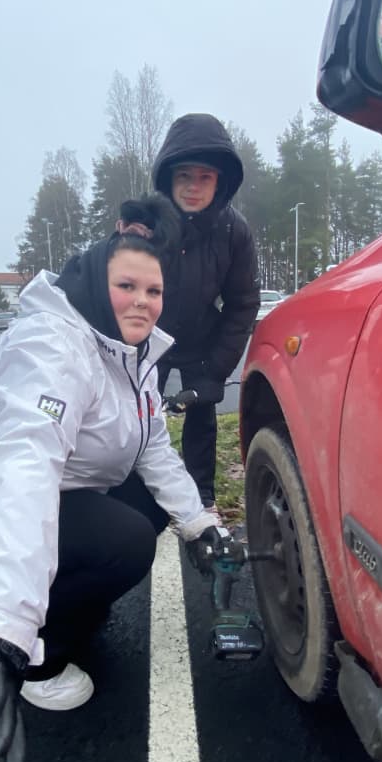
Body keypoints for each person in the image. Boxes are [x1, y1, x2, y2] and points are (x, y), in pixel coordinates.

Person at [0, 195, 228, 762]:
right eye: (127, 286)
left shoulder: (130, 353)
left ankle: (62, 597)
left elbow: (152, 445)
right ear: (94, 284)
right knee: (128, 540)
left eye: (154, 291)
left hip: (62, 492)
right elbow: (23, 467)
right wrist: (6, 619)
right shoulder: (52, 347)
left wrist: (198, 522)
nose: (142, 302)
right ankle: (40, 656)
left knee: (152, 510)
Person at [127, 113, 260, 511]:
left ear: (221, 181)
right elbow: (115, 286)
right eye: (185, 175)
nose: (193, 186)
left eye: (205, 177)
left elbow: (243, 304)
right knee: (134, 414)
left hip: (202, 334)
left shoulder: (234, 231)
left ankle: (201, 494)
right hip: (148, 335)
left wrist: (217, 370)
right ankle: (133, 490)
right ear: (168, 177)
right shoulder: (145, 225)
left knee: (201, 416)